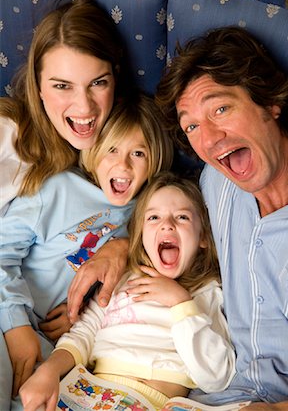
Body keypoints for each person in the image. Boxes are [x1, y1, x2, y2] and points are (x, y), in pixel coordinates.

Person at [155, 26, 288, 409]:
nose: (210, 139)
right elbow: (170, 222)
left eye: (221, 109)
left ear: (269, 102)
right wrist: (119, 248)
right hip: (220, 394)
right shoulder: (215, 183)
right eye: (192, 126)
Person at [0, 0, 132, 409]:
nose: (84, 107)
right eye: (61, 86)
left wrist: (123, 247)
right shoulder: (7, 138)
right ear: (37, 87)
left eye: (98, 83)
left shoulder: (126, 169)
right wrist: (17, 329)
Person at [0, 93, 174, 410]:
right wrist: (16, 326)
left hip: (60, 347)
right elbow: (1, 255)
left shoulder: (150, 215)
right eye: (112, 150)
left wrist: (78, 320)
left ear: (155, 161)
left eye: (138, 153)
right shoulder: (54, 189)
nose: (122, 165)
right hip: (7, 319)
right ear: (92, 151)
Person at [19, 172, 236, 411]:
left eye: (182, 217)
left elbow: (218, 376)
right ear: (141, 235)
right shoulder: (122, 280)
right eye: (154, 217)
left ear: (203, 236)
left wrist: (180, 303)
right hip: (95, 395)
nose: (167, 224)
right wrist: (50, 370)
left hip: (160, 402)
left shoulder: (206, 292)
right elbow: (83, 335)